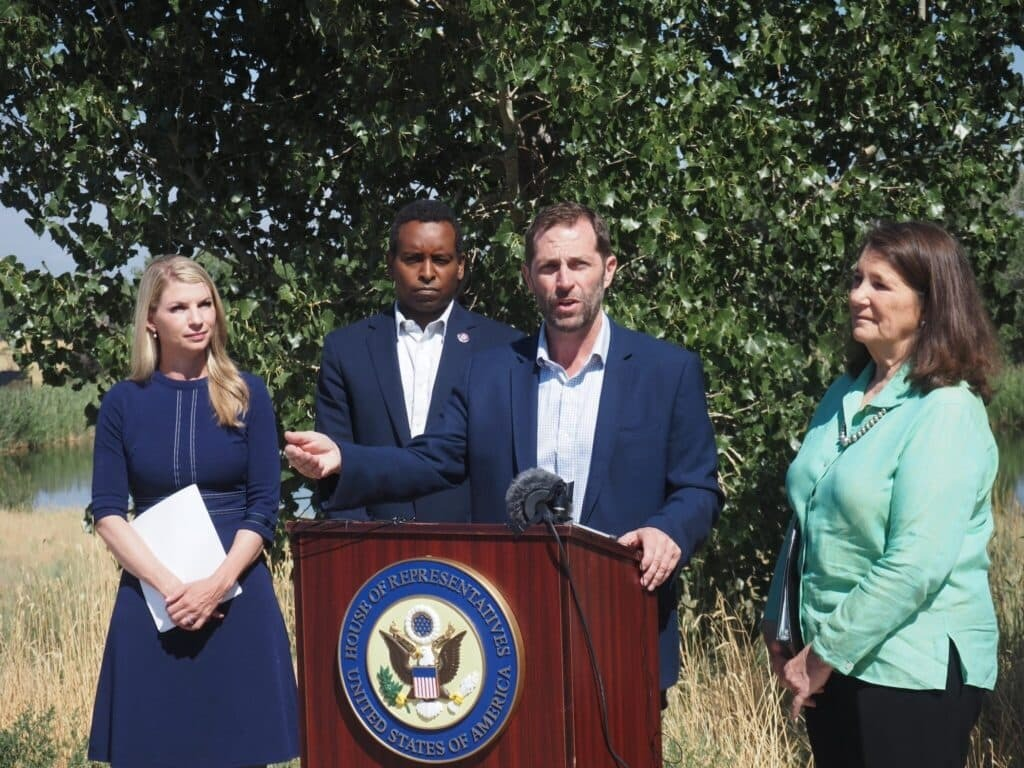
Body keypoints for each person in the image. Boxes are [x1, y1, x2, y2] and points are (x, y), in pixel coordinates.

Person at [285, 201, 723, 693]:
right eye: (548, 267)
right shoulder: (488, 372)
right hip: (509, 633)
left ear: (609, 269)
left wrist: (669, 531)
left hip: (624, 622)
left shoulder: (667, 371)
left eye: (578, 264)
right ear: (527, 276)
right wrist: (346, 459)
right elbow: (433, 459)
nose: (564, 282)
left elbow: (698, 489)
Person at [767, 221, 1000, 767]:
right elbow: (807, 510)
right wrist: (780, 621)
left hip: (908, 672)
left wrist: (822, 655)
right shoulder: (845, 394)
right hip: (833, 663)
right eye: (856, 280)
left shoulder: (946, 411)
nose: (856, 296)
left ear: (930, 304)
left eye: (880, 284)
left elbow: (916, 564)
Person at [88, 256, 299, 767]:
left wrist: (215, 584)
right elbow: (109, 511)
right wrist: (168, 587)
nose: (197, 317)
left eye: (205, 304)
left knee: (239, 752)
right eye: (180, 307)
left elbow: (263, 507)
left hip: (238, 598)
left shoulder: (248, 393)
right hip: (152, 603)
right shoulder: (122, 403)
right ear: (151, 321)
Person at [316, 199, 522, 521]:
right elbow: (335, 462)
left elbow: (508, 467)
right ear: (391, 263)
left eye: (440, 259)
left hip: (473, 553)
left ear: (461, 266)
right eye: (413, 259)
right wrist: (356, 550)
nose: (427, 273)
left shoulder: (504, 348)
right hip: (370, 553)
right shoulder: (346, 350)